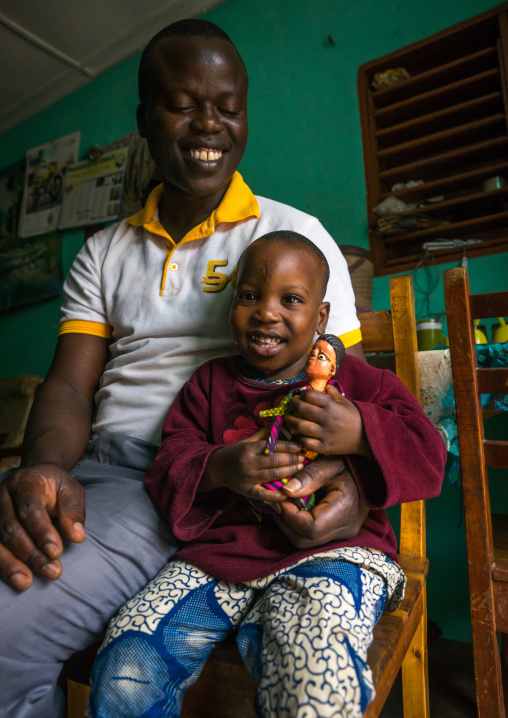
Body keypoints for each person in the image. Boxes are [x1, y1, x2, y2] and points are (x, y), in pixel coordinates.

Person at [0, 19, 369, 718]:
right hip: (93, 467)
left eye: (228, 106)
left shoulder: (291, 239)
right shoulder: (103, 252)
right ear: (144, 117)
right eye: (182, 104)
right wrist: (42, 468)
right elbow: (71, 385)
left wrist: (351, 476)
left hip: (184, 475)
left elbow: (352, 386)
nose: (210, 124)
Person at [85, 232, 446, 718]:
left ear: (321, 317)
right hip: (217, 561)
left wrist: (361, 430)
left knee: (315, 680)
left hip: (337, 557)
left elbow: (429, 454)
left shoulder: (361, 385)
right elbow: (170, 460)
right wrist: (218, 466)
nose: (266, 312)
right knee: (127, 660)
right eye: (249, 296)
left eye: (290, 300)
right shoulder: (209, 384)